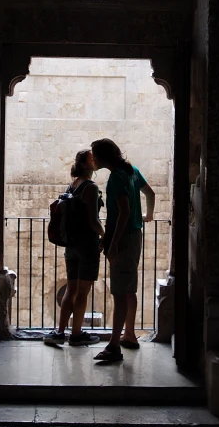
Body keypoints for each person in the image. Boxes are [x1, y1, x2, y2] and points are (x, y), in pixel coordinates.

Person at [90, 138, 155, 363]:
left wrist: (113, 243)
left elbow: (124, 212)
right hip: (134, 236)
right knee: (129, 289)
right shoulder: (132, 171)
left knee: (118, 293)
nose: (92, 159)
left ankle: (114, 345)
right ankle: (129, 335)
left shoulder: (116, 178)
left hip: (124, 239)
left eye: (94, 155)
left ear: (102, 157)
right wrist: (148, 215)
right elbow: (151, 194)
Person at [43, 149, 104, 346]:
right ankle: (76, 334)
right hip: (87, 245)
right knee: (83, 292)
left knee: (71, 289)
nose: (95, 160)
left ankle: (60, 332)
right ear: (86, 165)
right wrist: (106, 234)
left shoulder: (72, 186)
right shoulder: (90, 188)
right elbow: (94, 221)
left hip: (71, 245)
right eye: (92, 158)